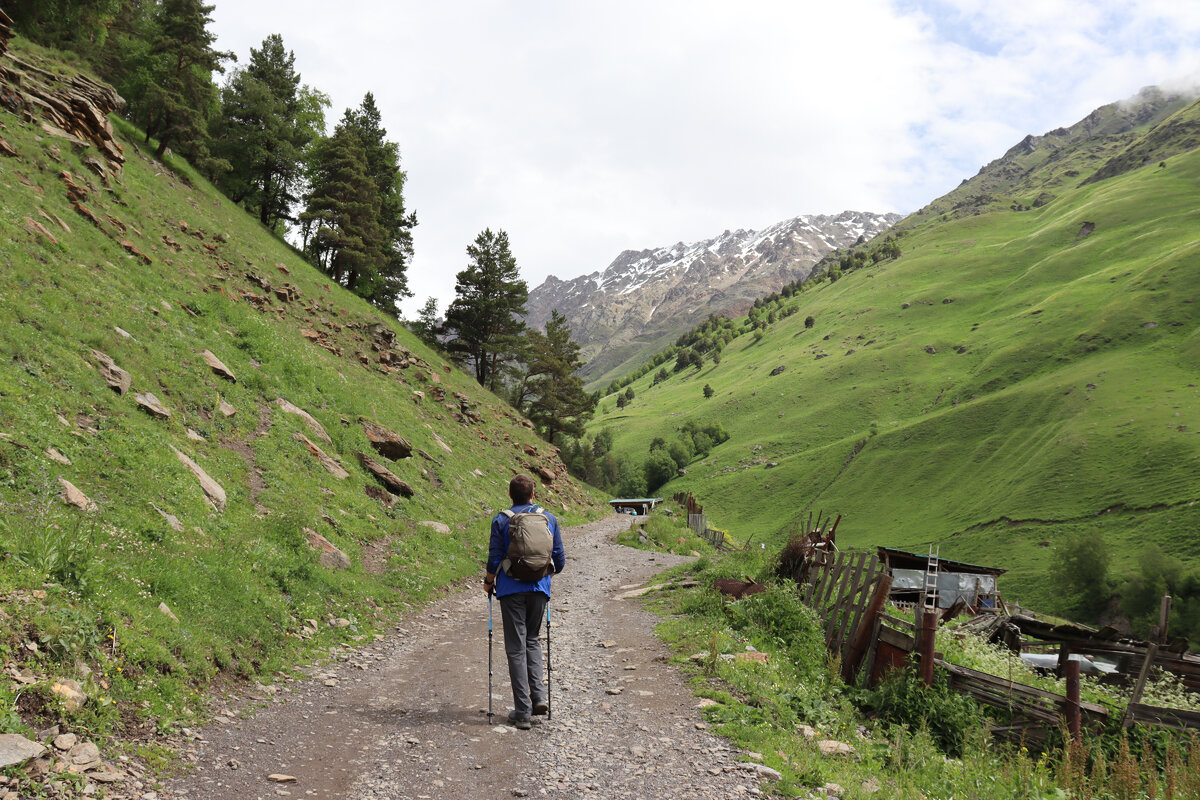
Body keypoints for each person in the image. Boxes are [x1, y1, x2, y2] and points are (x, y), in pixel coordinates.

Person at [484, 474, 565, 730]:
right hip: (540, 589)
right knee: (532, 640)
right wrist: (543, 573)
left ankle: (522, 711)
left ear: (510, 495)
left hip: (510, 590)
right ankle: (539, 697)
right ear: (533, 495)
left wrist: (488, 581)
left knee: (516, 647)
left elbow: (495, 556)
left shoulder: (501, 519)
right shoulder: (548, 518)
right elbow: (559, 559)